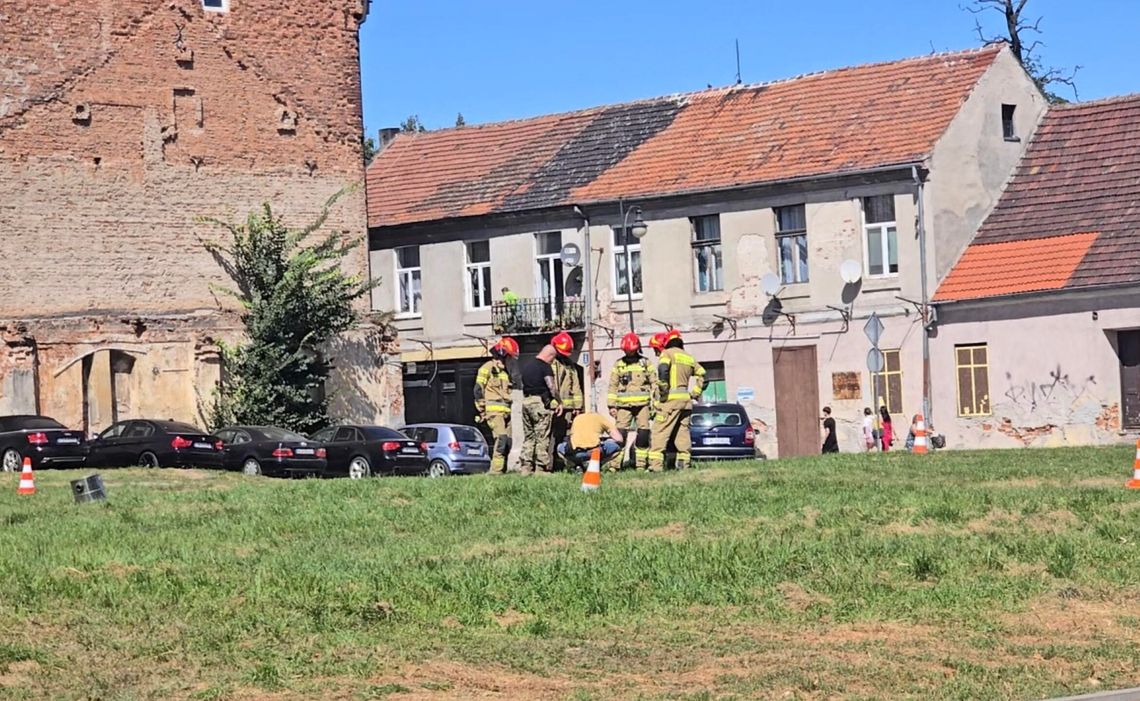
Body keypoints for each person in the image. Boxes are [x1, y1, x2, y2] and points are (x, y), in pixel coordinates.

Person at [648, 329, 706, 472]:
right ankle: (683, 466)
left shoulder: (667, 353)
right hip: (685, 402)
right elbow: (703, 375)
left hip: (670, 402)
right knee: (682, 435)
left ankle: (655, 468)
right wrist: (695, 393)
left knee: (659, 433)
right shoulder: (688, 357)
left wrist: (663, 390)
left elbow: (663, 370)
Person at [607, 333, 654, 470]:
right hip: (623, 406)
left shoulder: (646, 363)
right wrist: (611, 405)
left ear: (637, 348)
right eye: (627, 351)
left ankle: (640, 465)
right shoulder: (619, 364)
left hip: (643, 406)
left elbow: (654, 383)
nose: (629, 353)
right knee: (620, 435)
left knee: (643, 434)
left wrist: (654, 404)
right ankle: (614, 465)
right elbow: (613, 386)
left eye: (631, 350)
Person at [473, 336, 519, 474]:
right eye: (509, 357)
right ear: (502, 355)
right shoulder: (487, 368)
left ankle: (502, 470)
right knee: (501, 438)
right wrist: (482, 409)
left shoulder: (505, 373)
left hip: (506, 412)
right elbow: (477, 389)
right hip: (493, 412)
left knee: (508, 442)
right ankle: (496, 471)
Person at [519, 345, 561, 474]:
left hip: (526, 402)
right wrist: (559, 402)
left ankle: (526, 468)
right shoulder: (545, 366)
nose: (552, 362)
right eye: (553, 359)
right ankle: (541, 469)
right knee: (542, 436)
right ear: (550, 356)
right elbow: (551, 387)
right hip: (539, 403)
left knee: (529, 436)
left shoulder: (526, 366)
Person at [556, 411, 635, 470]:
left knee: (559, 447)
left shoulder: (577, 418)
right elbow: (619, 439)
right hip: (594, 452)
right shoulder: (600, 418)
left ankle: (575, 465)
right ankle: (598, 464)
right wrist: (607, 440)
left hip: (575, 452)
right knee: (618, 447)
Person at [549, 331, 583, 470]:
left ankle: (562, 464)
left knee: (564, 437)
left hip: (567, 408)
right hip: (552, 407)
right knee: (549, 437)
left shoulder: (570, 365)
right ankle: (549, 465)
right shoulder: (550, 363)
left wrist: (578, 406)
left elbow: (576, 386)